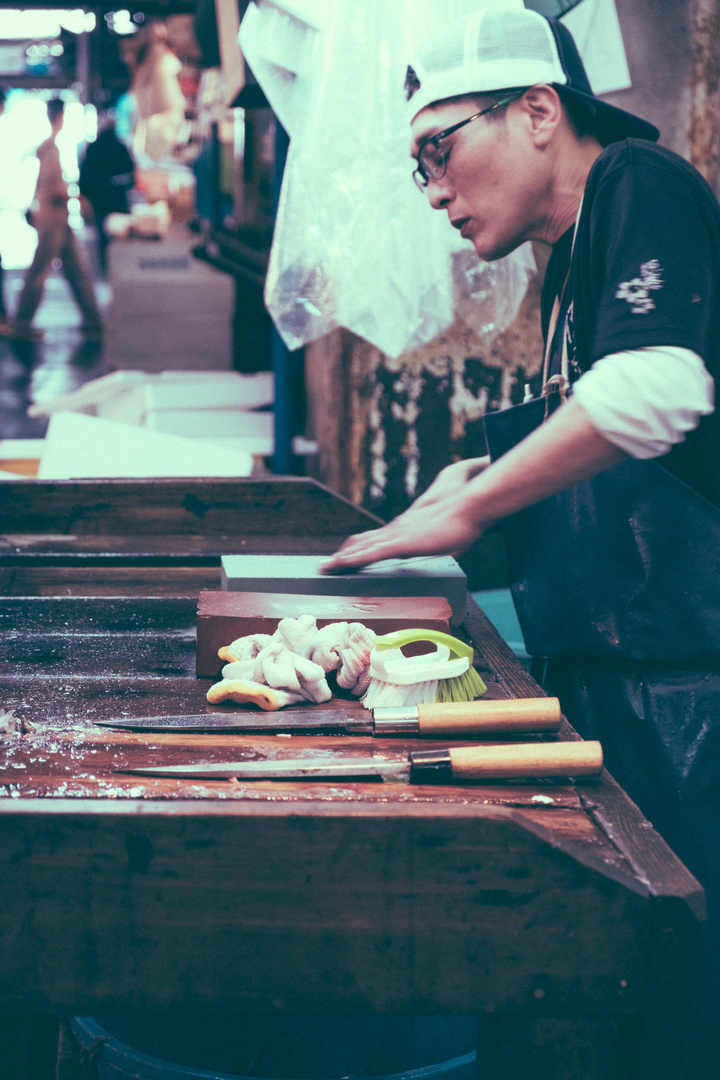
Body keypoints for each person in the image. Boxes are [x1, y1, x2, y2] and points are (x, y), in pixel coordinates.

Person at [322, 8, 720, 1075]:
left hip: (690, 700)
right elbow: (598, 457)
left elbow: (657, 391)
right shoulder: (568, 268)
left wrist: (483, 502)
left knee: (683, 1011)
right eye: (417, 171)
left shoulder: (643, 186)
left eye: (439, 151)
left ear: (539, 111)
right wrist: (463, 496)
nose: (435, 192)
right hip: (618, 686)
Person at [2, 98, 103, 341]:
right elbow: (53, 187)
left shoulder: (51, 147)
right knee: (39, 271)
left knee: (77, 270)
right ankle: (22, 322)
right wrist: (78, 197)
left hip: (59, 218)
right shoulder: (50, 148)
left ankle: (92, 320)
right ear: (59, 115)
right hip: (52, 219)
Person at [79, 107, 135, 273]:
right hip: (117, 198)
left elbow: (84, 177)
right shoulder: (120, 146)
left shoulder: (93, 148)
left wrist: (86, 197)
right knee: (120, 233)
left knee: (102, 235)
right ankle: (121, 265)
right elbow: (131, 172)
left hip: (98, 200)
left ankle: (105, 265)